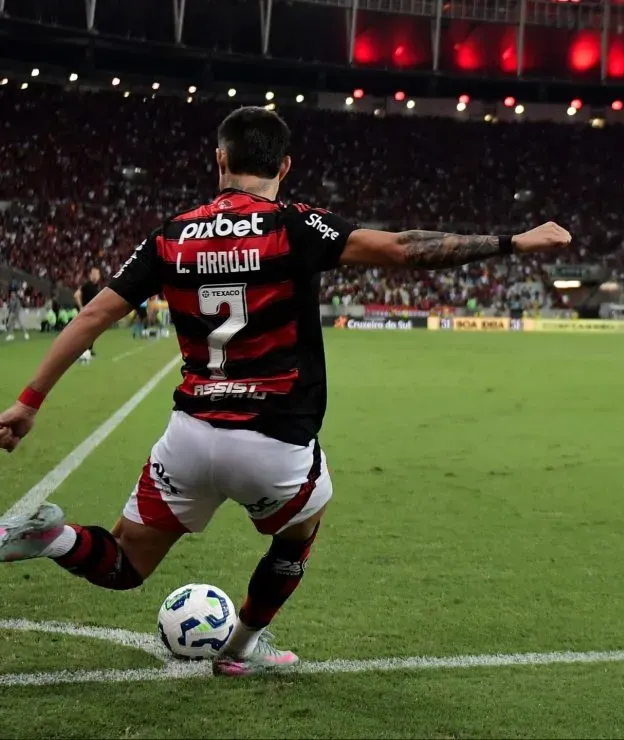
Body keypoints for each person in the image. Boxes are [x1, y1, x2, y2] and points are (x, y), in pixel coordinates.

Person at [0, 106, 571, 677]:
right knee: (299, 535)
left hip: (190, 436)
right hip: (274, 443)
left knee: (125, 562)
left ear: (219, 159)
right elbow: (401, 249)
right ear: (286, 165)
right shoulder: (296, 225)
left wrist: (29, 403)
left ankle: (53, 537)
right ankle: (243, 646)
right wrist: (511, 242)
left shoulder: (171, 234)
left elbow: (96, 313)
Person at [75, 268, 103, 360]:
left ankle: (89, 350)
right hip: (87, 313)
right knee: (86, 333)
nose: (97, 276)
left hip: (93, 313)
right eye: (95, 273)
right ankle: (82, 351)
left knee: (92, 332)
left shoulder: (95, 287)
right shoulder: (87, 285)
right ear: (91, 275)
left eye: (98, 274)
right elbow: (76, 295)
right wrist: (81, 307)